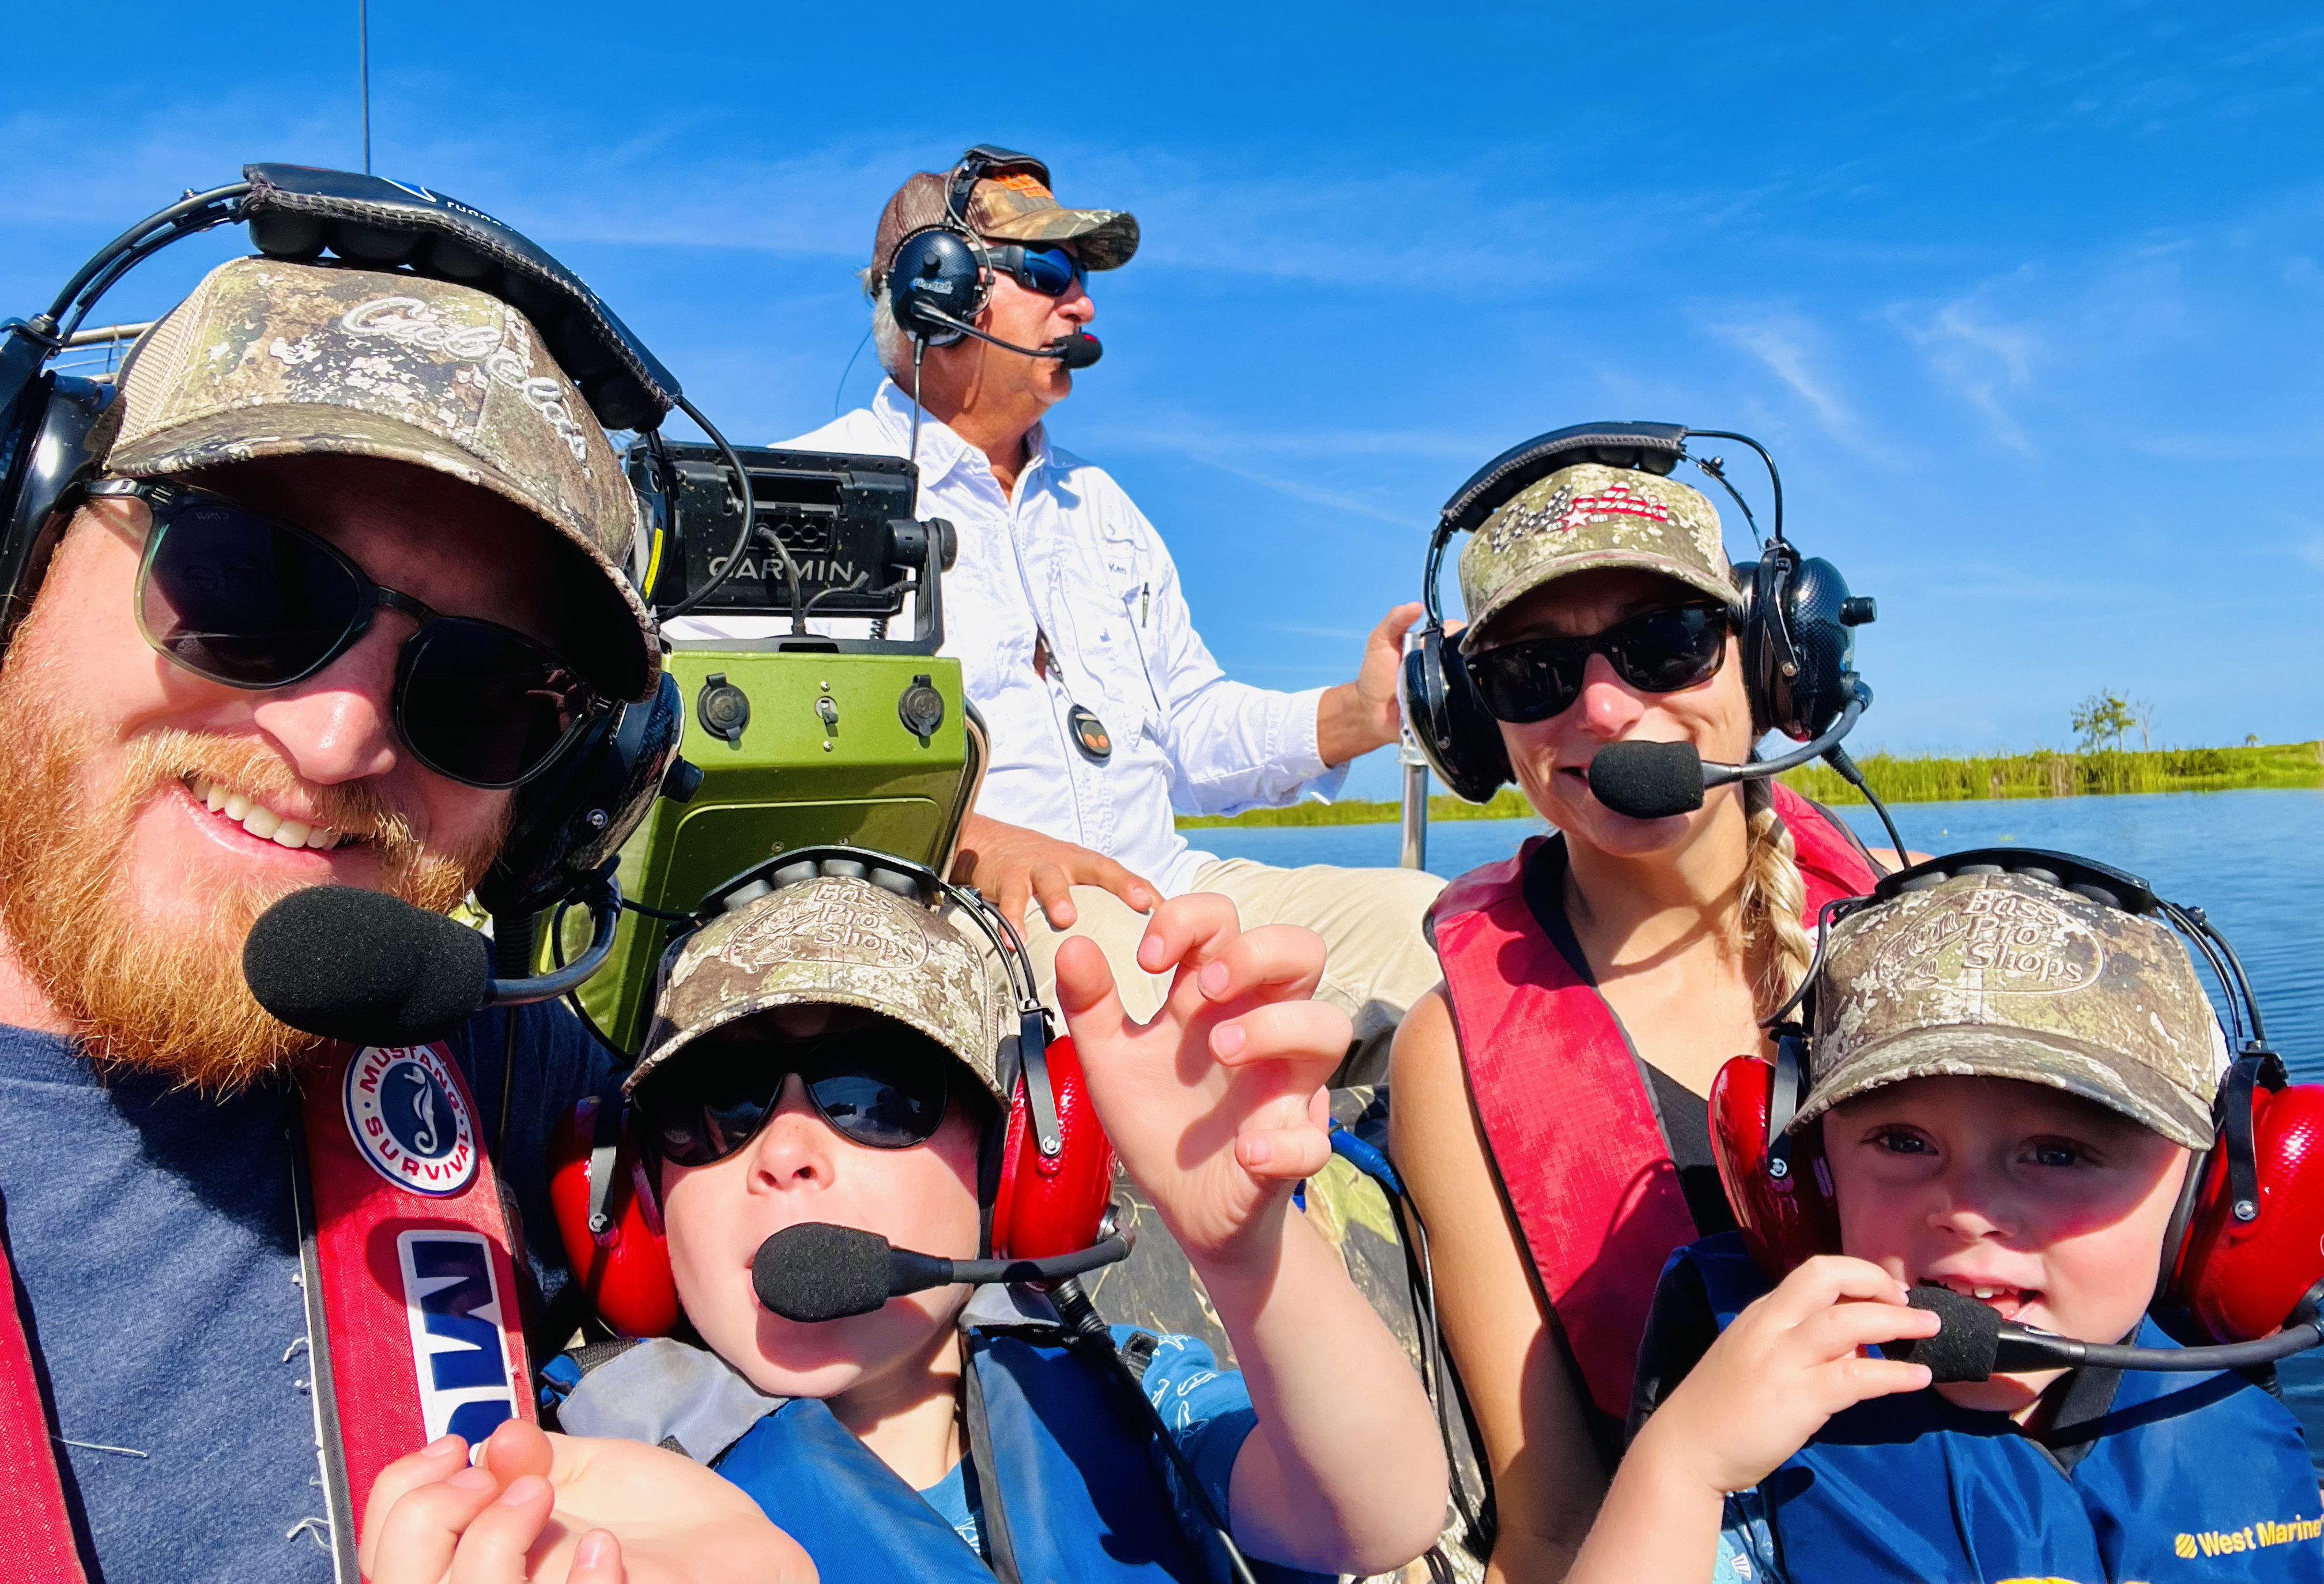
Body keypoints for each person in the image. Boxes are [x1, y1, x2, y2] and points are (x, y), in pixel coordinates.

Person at [0, 255, 804, 1581]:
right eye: (245, 582)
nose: (335, 741)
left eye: (487, 691)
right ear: (24, 555)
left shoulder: (494, 1071)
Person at [364, 875, 1450, 1581]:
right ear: (637, 1204)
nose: (786, 1149)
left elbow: (1373, 1513)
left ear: (1017, 1169)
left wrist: (1247, 1253)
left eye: (872, 1095)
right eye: (718, 1111)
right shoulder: (594, 1477)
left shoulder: (1128, 1385)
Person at [678, 145, 1443, 1082]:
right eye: (1050, 274)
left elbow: (1192, 735)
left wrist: (1358, 717)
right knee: (1134, 983)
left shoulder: (1105, 507)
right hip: (964, 918)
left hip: (1170, 886)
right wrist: (963, 835)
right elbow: (715, 768)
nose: (1082, 306)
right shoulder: (793, 502)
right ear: (940, 292)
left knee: (1453, 935)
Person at [1386, 458, 1903, 1579]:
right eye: (1532, 673)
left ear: (1774, 660)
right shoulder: (1452, 1056)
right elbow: (1556, 1520)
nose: (1608, 708)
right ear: (1475, 724)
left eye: (1668, 643)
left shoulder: (1930, 931)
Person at [1567, 868, 2324, 1583]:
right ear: (1807, 1181)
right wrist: (1683, 1469)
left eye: (2058, 1153)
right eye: (1904, 1143)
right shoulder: (1752, 1422)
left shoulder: (2233, 1410)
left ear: (2207, 1199)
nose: (1966, 1210)